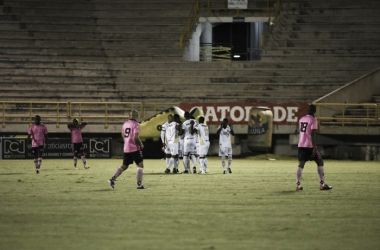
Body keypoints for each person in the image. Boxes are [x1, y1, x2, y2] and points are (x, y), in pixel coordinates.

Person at [296, 104, 332, 191]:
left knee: (301, 164)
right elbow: (312, 134)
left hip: (301, 144)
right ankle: (322, 184)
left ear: (307, 110)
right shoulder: (313, 120)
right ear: (315, 111)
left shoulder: (301, 119)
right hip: (310, 145)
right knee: (320, 162)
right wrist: (315, 147)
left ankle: (298, 185)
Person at [108, 110, 147, 189]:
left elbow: (124, 135)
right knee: (140, 165)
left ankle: (112, 179)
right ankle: (139, 185)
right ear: (137, 116)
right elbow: (136, 137)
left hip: (126, 147)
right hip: (134, 148)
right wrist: (141, 144)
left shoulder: (125, 124)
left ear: (129, 115)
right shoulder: (136, 124)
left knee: (124, 166)